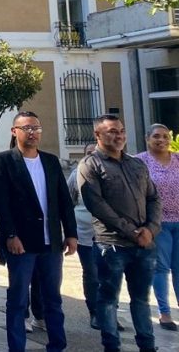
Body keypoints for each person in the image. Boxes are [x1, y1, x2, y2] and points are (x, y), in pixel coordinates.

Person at [0, 111, 78, 352]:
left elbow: (63, 200)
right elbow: (0, 203)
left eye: (36, 128)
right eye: (26, 128)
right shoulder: (3, 161)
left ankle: (57, 345)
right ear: (14, 131)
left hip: (51, 243)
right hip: (21, 243)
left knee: (53, 299)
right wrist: (10, 235)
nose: (32, 132)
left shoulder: (50, 161)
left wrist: (71, 233)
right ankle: (16, 347)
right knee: (17, 300)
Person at [78, 114, 161, 352]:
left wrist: (150, 229)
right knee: (108, 300)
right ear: (98, 135)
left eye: (121, 130)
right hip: (111, 245)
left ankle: (147, 345)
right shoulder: (90, 165)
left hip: (143, 245)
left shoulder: (136, 163)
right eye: (112, 131)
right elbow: (97, 205)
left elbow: (153, 197)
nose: (119, 135)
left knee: (142, 300)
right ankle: (111, 346)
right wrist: (132, 231)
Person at [136, 123, 179, 332]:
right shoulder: (139, 161)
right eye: (156, 136)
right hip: (157, 224)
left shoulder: (178, 159)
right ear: (147, 138)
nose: (161, 140)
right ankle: (164, 314)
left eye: (164, 136)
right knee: (161, 268)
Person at [67, 142, 102, 329]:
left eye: (95, 152)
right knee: (92, 272)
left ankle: (109, 311)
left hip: (110, 235)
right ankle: (94, 312)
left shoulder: (110, 173)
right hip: (84, 233)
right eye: (88, 153)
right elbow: (68, 200)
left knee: (110, 275)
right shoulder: (76, 174)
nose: (92, 156)